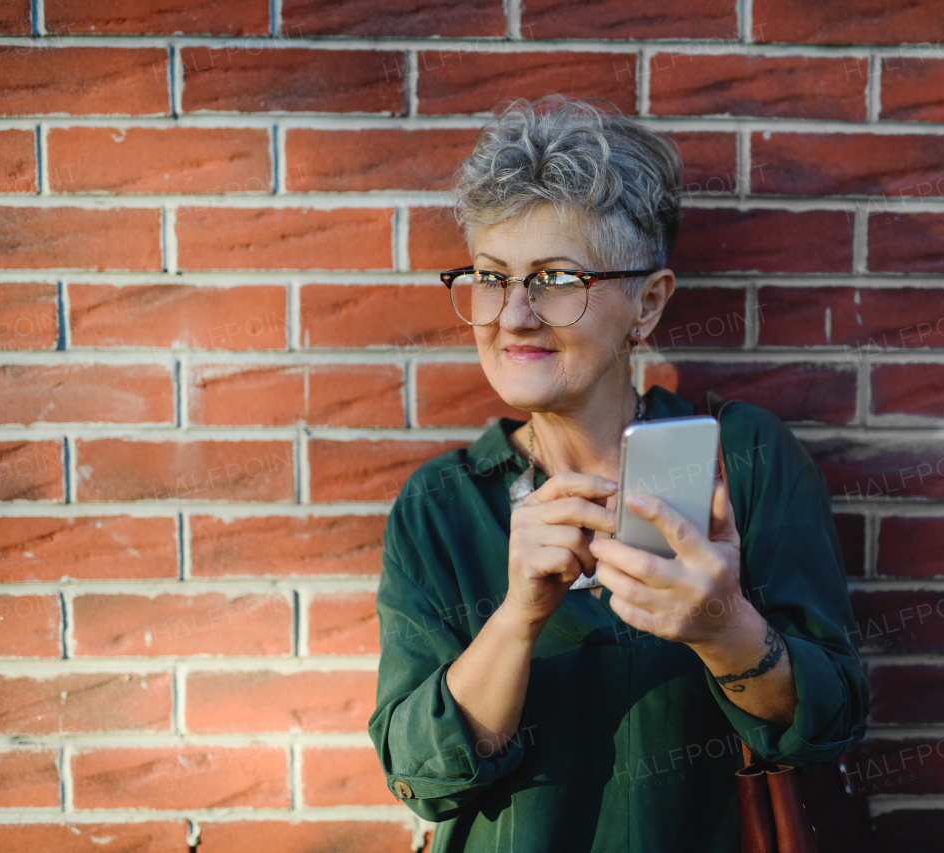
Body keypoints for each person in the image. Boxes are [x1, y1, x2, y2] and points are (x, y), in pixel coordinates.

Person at [368, 93, 868, 853]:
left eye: (557, 280)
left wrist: (724, 626)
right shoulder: (441, 507)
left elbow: (830, 726)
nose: (513, 316)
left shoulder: (746, 464)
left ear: (649, 303)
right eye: (492, 277)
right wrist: (517, 616)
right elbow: (417, 772)